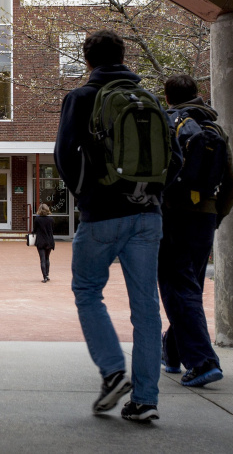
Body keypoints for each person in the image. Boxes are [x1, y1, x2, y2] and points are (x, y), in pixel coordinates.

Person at [54, 29, 181, 424]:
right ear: (123, 56)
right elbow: (175, 158)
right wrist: (152, 193)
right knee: (146, 308)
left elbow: (63, 154)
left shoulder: (81, 97)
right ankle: (145, 399)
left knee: (88, 290)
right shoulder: (152, 101)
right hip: (148, 216)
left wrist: (85, 193)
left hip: (101, 216)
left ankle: (112, 371)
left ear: (87, 60)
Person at [159, 74, 233, 387]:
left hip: (173, 214)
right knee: (190, 287)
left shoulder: (167, 123)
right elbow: (230, 181)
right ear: (197, 94)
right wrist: (217, 216)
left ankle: (203, 362)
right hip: (205, 216)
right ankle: (173, 353)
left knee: (177, 287)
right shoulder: (214, 127)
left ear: (168, 98)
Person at [32, 204, 55, 282]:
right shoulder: (51, 219)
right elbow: (52, 229)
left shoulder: (37, 219)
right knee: (47, 258)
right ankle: (47, 275)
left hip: (41, 241)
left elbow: (34, 230)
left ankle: (44, 276)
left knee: (42, 259)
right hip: (49, 241)